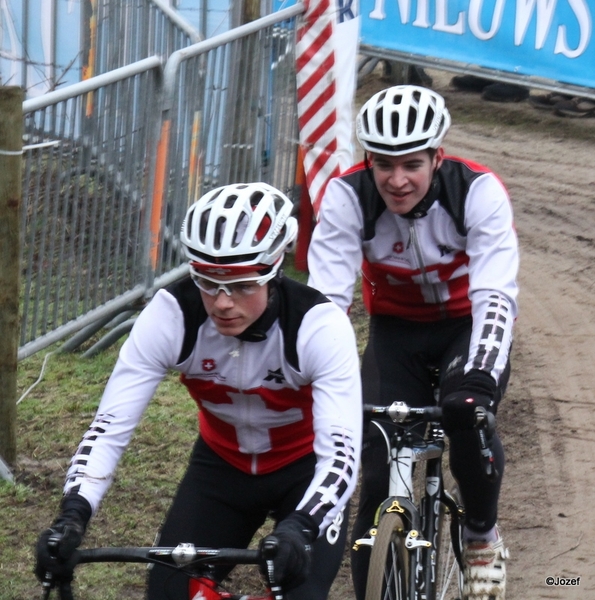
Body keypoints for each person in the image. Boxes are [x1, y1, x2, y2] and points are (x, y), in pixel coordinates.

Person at [35, 182, 363, 599]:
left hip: (305, 470)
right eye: (208, 282)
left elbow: (341, 454)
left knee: (299, 591)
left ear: (273, 271)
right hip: (221, 468)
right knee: (169, 592)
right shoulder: (173, 315)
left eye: (242, 284)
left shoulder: (318, 326)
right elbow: (109, 428)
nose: (223, 302)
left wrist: (301, 525)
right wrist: (72, 516)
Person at [307, 85, 518, 600]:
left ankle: (481, 538)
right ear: (368, 161)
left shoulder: (476, 191)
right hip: (396, 332)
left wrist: (480, 376)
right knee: (376, 475)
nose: (397, 180)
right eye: (384, 164)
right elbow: (324, 305)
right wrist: (319, 378)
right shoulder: (347, 196)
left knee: (464, 411)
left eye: (412, 164)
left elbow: (495, 296)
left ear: (437, 157)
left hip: (466, 326)